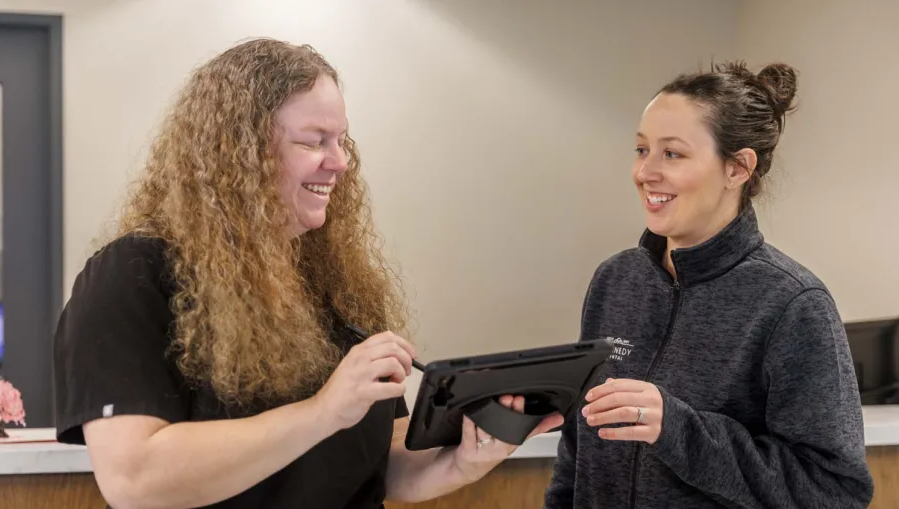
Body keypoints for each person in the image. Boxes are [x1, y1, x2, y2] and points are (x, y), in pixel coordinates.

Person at [52, 38, 562, 509]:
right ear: (240, 152)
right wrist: (321, 412)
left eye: (342, 140)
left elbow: (387, 468)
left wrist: (464, 460)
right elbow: (134, 480)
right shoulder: (133, 274)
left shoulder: (333, 281)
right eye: (314, 141)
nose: (339, 162)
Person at [543, 61, 874, 508]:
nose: (645, 173)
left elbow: (835, 492)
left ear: (737, 168)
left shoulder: (793, 303)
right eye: (642, 150)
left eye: (672, 154)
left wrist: (679, 430)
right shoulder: (615, 280)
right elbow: (577, 454)